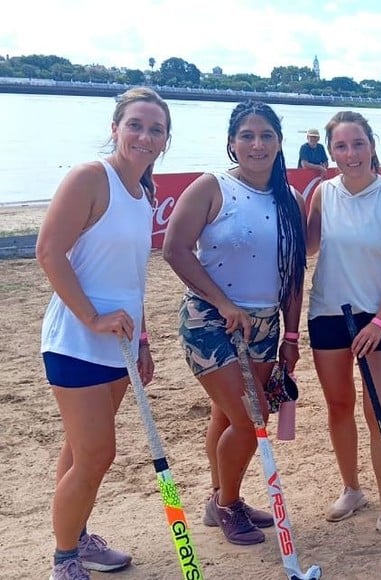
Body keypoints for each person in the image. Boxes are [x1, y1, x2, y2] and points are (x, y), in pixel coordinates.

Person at [37, 87, 171, 580]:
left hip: (119, 345)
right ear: (115, 128)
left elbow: (131, 278)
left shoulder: (143, 193)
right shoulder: (91, 177)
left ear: (165, 141)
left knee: (78, 452)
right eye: (135, 124)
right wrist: (92, 317)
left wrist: (143, 341)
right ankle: (64, 560)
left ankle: (75, 538)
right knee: (98, 453)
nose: (144, 135)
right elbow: (48, 251)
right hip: (75, 342)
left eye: (155, 129)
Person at [162, 100, 307, 546]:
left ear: (280, 143)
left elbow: (293, 274)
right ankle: (228, 505)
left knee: (228, 417)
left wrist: (292, 334)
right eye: (246, 135)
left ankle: (220, 498)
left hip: (265, 325)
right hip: (211, 320)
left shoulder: (292, 200)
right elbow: (176, 249)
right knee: (253, 418)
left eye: (266, 135)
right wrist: (223, 303)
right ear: (231, 143)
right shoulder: (211, 187)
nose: (257, 144)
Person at [306, 110, 381, 547]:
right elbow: (308, 246)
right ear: (329, 151)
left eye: (357, 144)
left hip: (379, 317)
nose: (350, 154)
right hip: (328, 313)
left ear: (371, 146)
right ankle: (352, 488)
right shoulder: (321, 194)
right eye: (340, 146)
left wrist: (380, 319)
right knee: (338, 406)